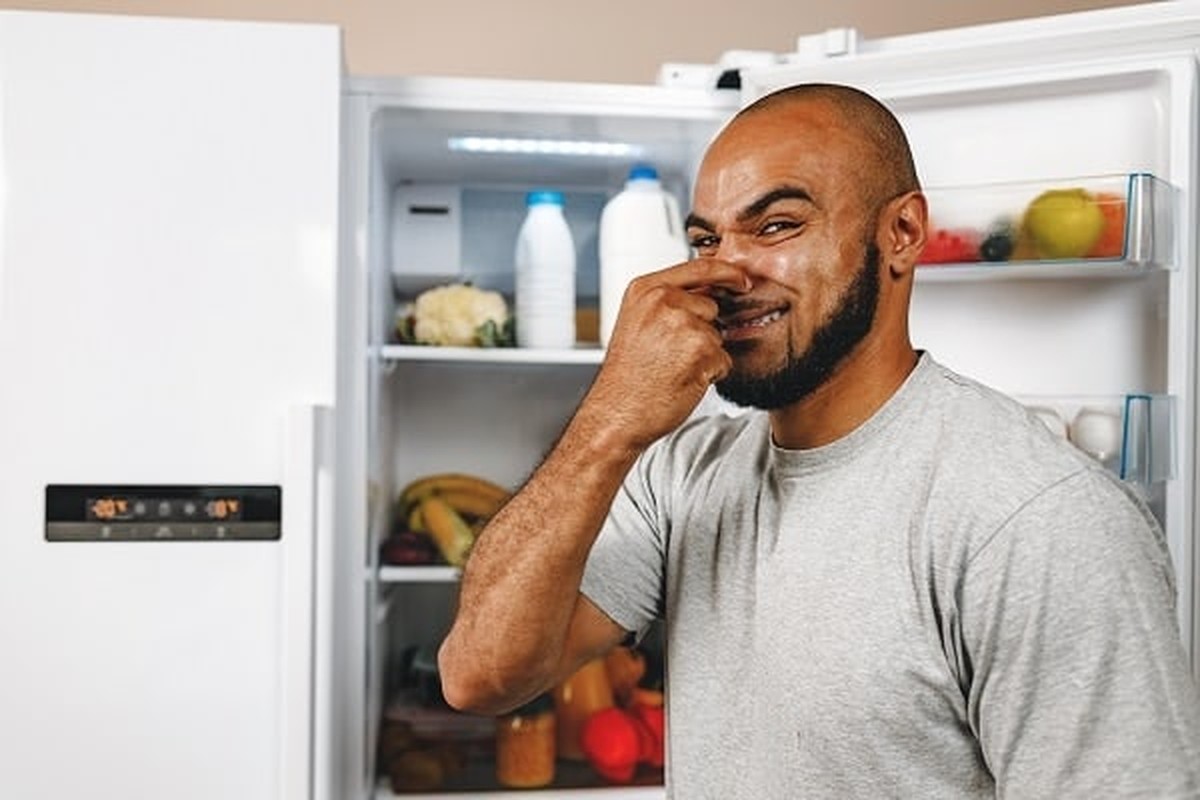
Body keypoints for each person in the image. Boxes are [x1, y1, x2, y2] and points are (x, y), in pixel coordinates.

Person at [438, 83, 1200, 797]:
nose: (726, 272)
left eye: (776, 225)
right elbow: (481, 674)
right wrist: (607, 421)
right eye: (707, 239)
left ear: (902, 234)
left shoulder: (1039, 521)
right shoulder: (682, 473)